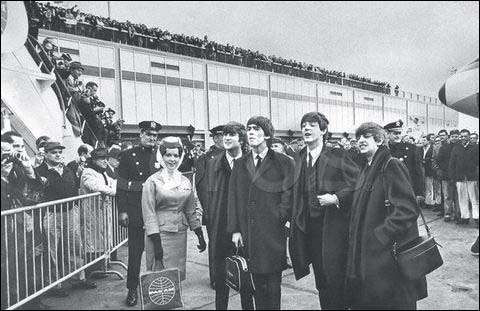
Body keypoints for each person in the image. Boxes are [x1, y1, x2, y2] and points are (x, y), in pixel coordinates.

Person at [345, 122, 428, 310]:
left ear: (380, 140)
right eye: (358, 138)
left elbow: (407, 209)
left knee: (392, 302)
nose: (360, 141)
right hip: (372, 255)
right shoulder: (367, 168)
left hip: (386, 256)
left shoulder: (391, 165)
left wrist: (380, 236)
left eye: (366, 137)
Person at [289, 112, 360, 310]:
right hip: (308, 229)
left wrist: (337, 198)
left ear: (323, 130)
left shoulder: (337, 155)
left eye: (312, 125)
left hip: (333, 229)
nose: (306, 129)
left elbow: (356, 183)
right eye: (304, 125)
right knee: (321, 279)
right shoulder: (299, 158)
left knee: (335, 278)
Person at [228, 116, 295, 310]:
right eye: (248, 129)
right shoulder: (240, 163)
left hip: (273, 233)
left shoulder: (284, 162)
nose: (250, 132)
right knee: (252, 284)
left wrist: (279, 217)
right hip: (248, 233)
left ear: (267, 134)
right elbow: (233, 198)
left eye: (256, 129)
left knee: (273, 286)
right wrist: (235, 230)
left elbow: (288, 194)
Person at [36, 141, 97, 296]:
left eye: (59, 152)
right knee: (51, 249)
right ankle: (54, 284)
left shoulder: (68, 170)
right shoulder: (40, 171)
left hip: (70, 212)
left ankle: (78, 278)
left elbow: (75, 188)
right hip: (50, 214)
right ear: (46, 154)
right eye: (53, 152)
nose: (58, 155)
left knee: (75, 245)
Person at [203, 122, 253, 309]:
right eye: (224, 135)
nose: (226, 138)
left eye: (231, 134)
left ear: (241, 138)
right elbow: (210, 194)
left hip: (245, 228)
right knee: (221, 280)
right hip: (221, 227)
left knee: (246, 278)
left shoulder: (250, 161)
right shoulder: (213, 163)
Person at [142, 137, 205, 280]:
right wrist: (156, 243)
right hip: (159, 234)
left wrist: (199, 232)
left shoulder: (184, 180)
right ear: (161, 156)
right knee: (159, 278)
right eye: (168, 155)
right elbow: (149, 213)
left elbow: (190, 209)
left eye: (176, 155)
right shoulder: (152, 181)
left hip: (179, 235)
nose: (172, 159)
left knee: (176, 276)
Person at [116, 120, 162, 307]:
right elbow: (121, 185)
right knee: (135, 252)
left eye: (154, 135)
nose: (151, 138)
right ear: (140, 135)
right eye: (148, 134)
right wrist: (123, 211)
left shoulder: (162, 154)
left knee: (160, 251)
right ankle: (132, 289)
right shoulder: (127, 155)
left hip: (158, 210)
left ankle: (161, 288)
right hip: (136, 210)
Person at [194, 124, 224, 288]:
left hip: (233, 209)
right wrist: (209, 208)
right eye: (218, 136)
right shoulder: (205, 158)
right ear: (214, 138)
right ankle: (216, 277)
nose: (221, 139)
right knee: (215, 244)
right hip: (215, 209)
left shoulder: (235, 155)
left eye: (224, 135)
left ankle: (233, 273)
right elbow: (201, 185)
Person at [79, 148, 117, 278]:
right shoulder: (88, 173)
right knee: (92, 239)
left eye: (106, 158)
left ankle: (103, 264)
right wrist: (113, 191)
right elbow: (96, 187)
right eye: (102, 158)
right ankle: (92, 269)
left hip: (102, 209)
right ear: (94, 160)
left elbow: (113, 183)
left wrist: (112, 189)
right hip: (92, 210)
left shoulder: (102, 173)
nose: (105, 161)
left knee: (103, 237)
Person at [385, 120, 424, 203]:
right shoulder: (383, 150)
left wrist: (419, 193)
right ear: (388, 134)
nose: (398, 136)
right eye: (395, 133)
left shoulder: (411, 148)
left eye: (399, 133)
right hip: (387, 191)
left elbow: (418, 171)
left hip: (406, 189)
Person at [449, 129, 479, 226]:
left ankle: (477, 217)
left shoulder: (475, 147)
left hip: (471, 177)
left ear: (469, 137)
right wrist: (452, 176)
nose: (463, 138)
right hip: (459, 177)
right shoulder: (456, 148)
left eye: (465, 136)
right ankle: (464, 217)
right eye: (461, 136)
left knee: (474, 198)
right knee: (462, 198)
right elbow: (452, 163)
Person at [420, 135, 435, 210]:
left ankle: (429, 202)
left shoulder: (432, 148)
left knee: (429, 187)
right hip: (422, 169)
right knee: (424, 186)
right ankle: (426, 201)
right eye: (422, 140)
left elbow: (431, 158)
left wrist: (425, 160)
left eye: (424, 140)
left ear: (428, 141)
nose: (423, 142)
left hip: (429, 170)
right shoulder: (420, 149)